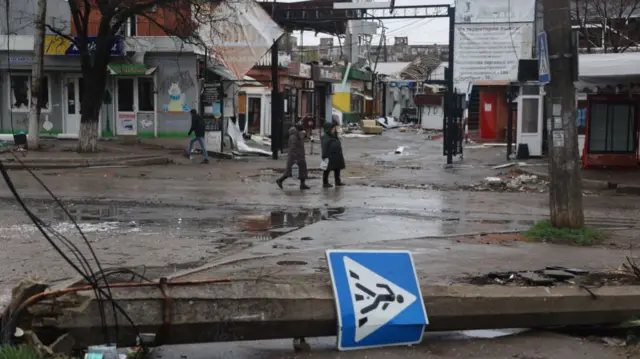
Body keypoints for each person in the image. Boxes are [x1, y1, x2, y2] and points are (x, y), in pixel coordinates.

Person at [276, 122, 310, 190]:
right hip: (294, 157)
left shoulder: (299, 133)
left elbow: (304, 136)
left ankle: (302, 184)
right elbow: (292, 148)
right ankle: (280, 180)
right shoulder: (293, 136)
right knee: (289, 171)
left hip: (300, 155)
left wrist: (306, 134)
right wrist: (294, 158)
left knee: (303, 171)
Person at [321, 121, 345, 188]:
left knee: (337, 169)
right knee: (327, 169)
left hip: (336, 155)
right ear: (328, 129)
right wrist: (324, 156)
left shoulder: (334, 136)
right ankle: (325, 183)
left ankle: (338, 182)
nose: (334, 130)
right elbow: (324, 147)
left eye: (334, 129)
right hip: (329, 156)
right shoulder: (326, 137)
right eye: (333, 129)